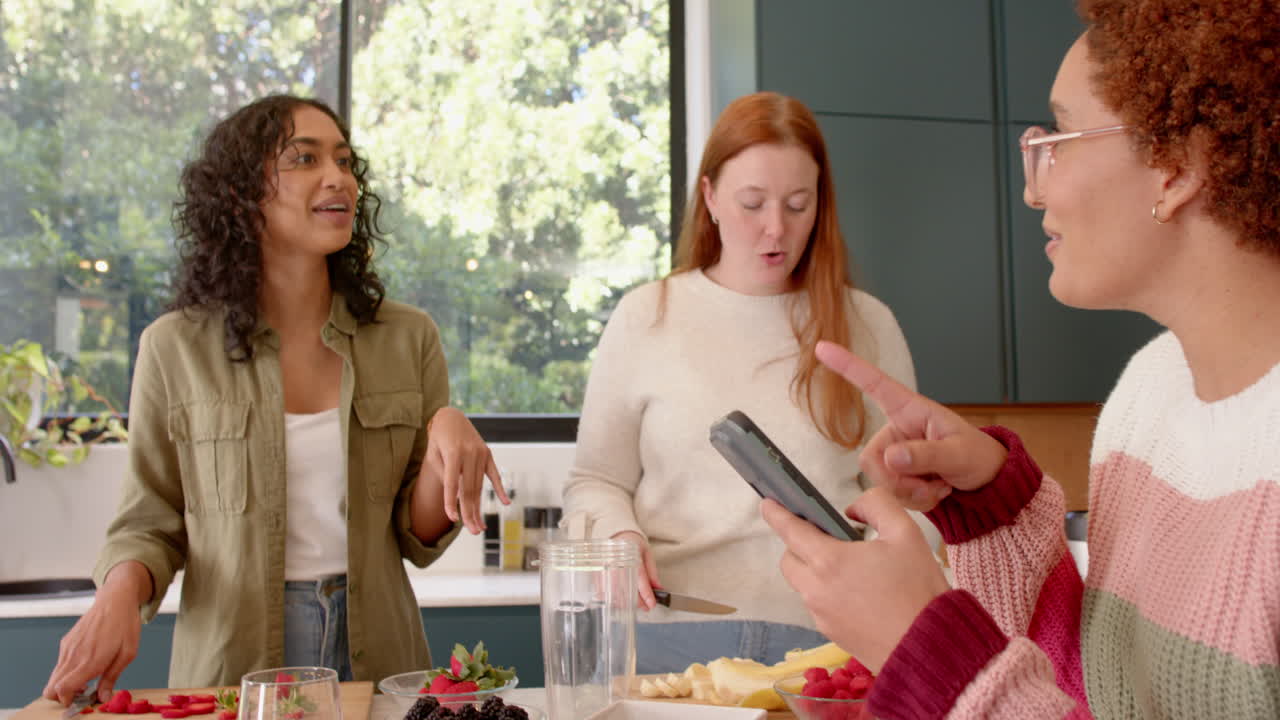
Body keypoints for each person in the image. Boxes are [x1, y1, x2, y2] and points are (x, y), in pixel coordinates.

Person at [763, 0, 1280, 717]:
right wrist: (990, 510)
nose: (1034, 187)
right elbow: (1088, 688)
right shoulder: (1147, 395)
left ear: (1175, 169)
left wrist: (931, 655)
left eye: (1061, 137)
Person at [42, 95, 506, 703]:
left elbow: (415, 533)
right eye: (304, 158)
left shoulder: (408, 337)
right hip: (232, 664)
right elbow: (150, 521)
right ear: (241, 193)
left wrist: (446, 432)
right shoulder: (174, 347)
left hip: (380, 656)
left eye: (344, 160)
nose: (337, 176)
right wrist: (118, 598)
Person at [563, 91, 938, 673]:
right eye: (752, 203)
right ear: (710, 197)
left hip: (830, 648)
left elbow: (910, 504)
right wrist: (617, 539)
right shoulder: (647, 316)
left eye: (797, 204)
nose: (776, 229)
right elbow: (595, 480)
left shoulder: (868, 325)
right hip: (668, 643)